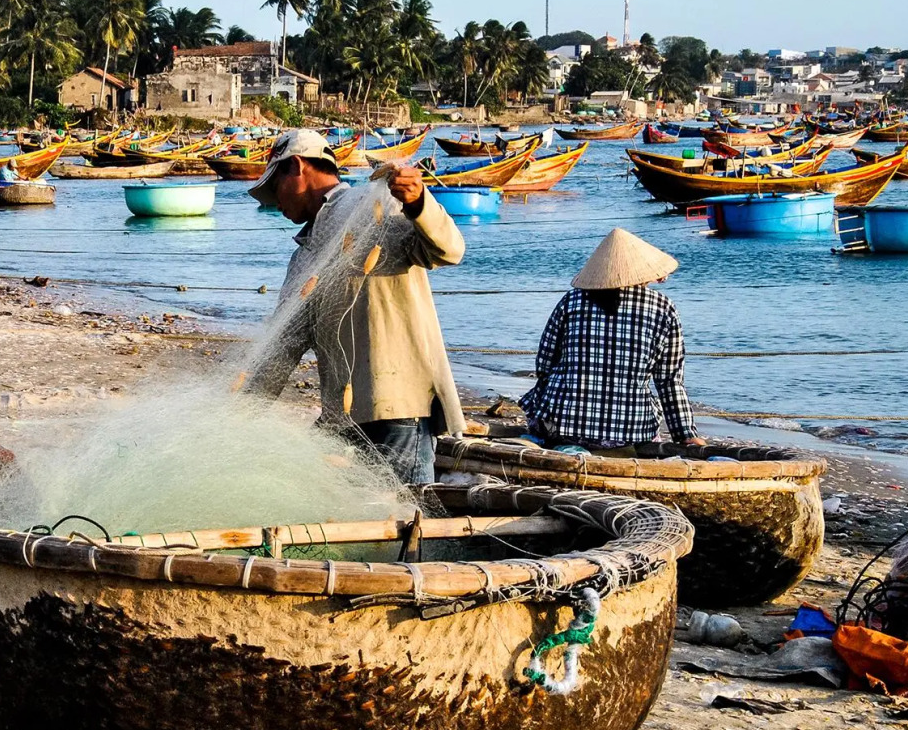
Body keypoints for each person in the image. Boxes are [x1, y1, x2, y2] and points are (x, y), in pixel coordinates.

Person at [246, 129, 466, 485]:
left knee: (400, 517)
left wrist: (417, 201)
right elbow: (281, 348)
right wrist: (237, 412)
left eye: (274, 188)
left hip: (396, 411)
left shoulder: (373, 205)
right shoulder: (303, 257)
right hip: (342, 418)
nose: (274, 202)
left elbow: (450, 250)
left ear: (297, 167)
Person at [520, 228, 705, 456]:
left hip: (563, 425)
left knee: (543, 398)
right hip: (631, 431)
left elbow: (545, 365)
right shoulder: (663, 308)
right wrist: (685, 433)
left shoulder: (571, 302)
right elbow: (669, 381)